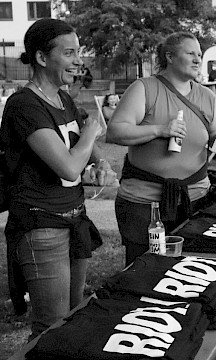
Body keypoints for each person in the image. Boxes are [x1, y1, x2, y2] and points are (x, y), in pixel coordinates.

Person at [1, 18, 111, 340]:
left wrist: (101, 160)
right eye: (69, 52)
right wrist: (91, 132)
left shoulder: (63, 99)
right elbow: (67, 166)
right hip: (41, 228)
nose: (79, 61)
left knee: (73, 316)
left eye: (79, 52)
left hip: (74, 219)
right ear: (41, 57)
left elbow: (83, 146)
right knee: (51, 326)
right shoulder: (23, 105)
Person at [106, 32, 216, 265]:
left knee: (190, 269)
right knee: (144, 269)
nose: (198, 59)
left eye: (200, 54)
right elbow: (116, 131)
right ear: (169, 56)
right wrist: (161, 130)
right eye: (191, 53)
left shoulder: (207, 97)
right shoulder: (145, 88)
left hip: (196, 198)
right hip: (145, 204)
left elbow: (214, 137)